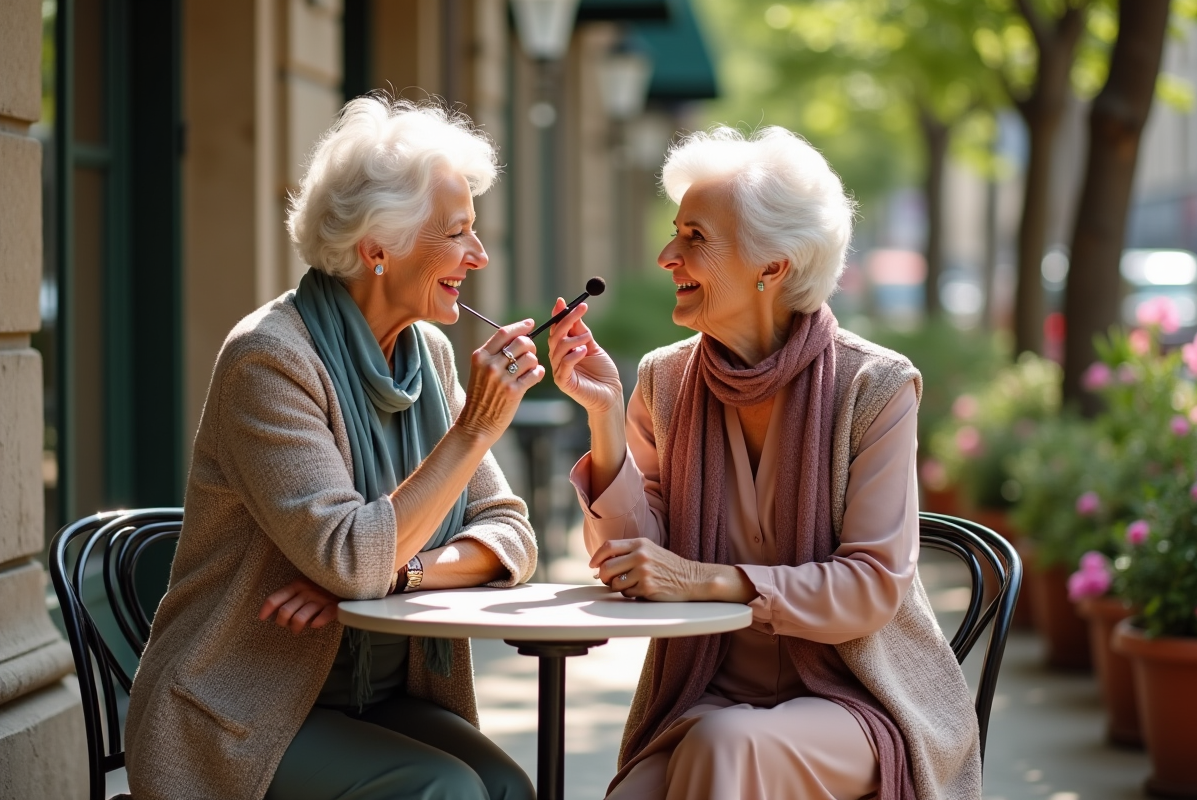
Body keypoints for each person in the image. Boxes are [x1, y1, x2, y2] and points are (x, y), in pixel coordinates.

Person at [546, 126, 981, 800]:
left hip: (860, 701)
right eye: (674, 232)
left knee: (724, 750)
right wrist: (603, 418)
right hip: (707, 695)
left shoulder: (875, 387)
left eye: (694, 238)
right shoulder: (663, 381)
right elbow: (634, 566)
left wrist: (706, 580)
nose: (667, 255)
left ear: (772, 266)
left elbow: (869, 587)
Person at [125, 95, 540, 800]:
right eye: (458, 234)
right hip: (243, 707)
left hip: (375, 695)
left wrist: (402, 571)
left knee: (506, 787)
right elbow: (349, 557)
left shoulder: (429, 355)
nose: (479, 255)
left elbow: (510, 534)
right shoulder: (271, 359)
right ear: (379, 248)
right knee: (443, 791)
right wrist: (473, 430)